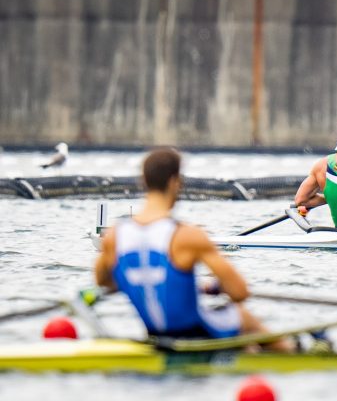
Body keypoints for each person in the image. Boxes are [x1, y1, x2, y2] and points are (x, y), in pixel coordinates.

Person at [94, 147, 292, 351]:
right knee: (242, 316)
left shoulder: (115, 236)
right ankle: (292, 354)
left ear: (143, 182)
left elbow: (103, 282)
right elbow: (240, 292)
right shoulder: (188, 235)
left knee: (244, 343)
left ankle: (249, 351)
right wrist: (213, 288)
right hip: (193, 334)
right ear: (175, 182)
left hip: (154, 334)